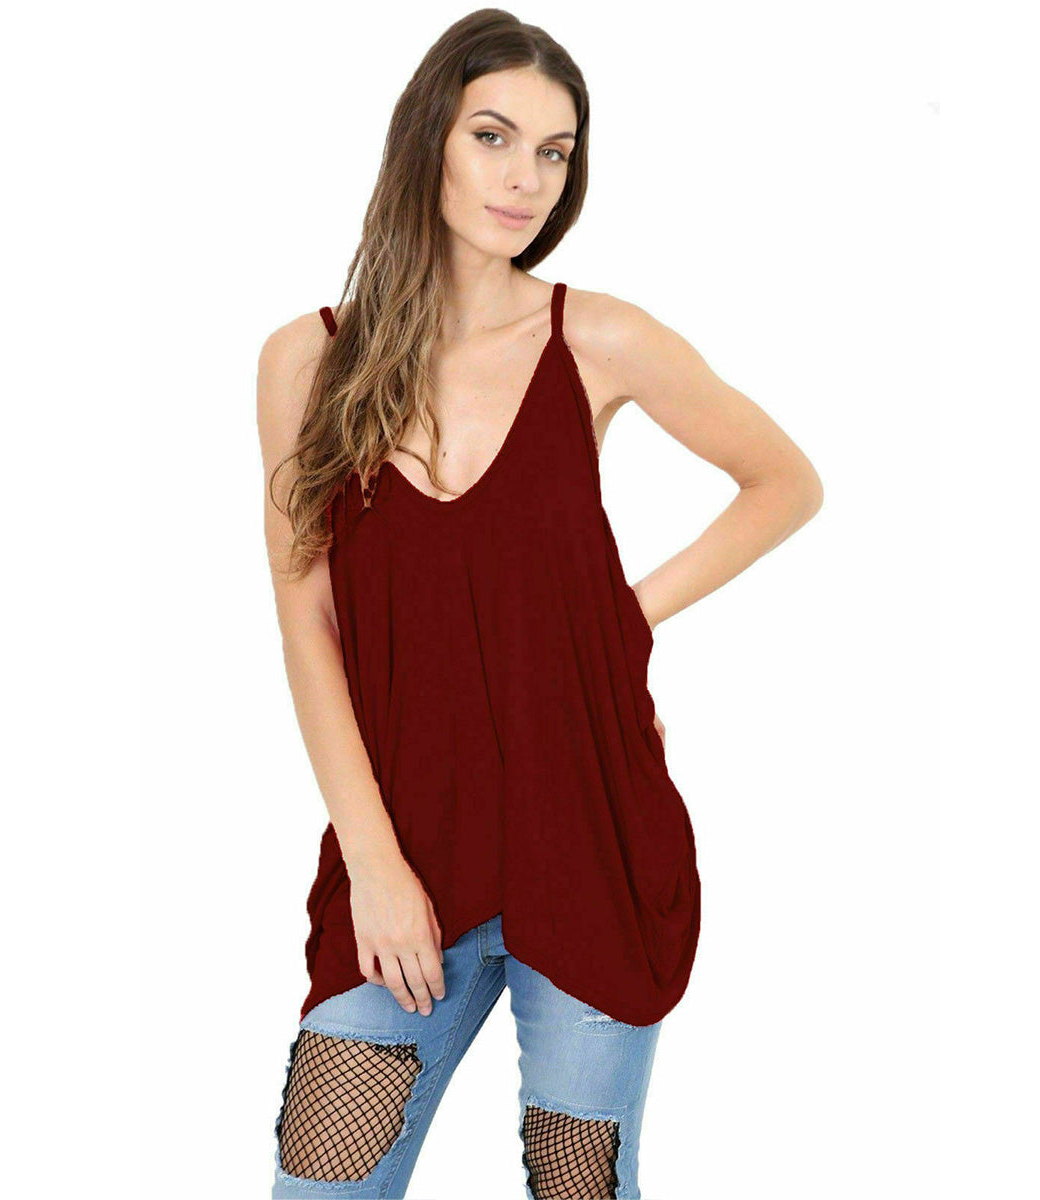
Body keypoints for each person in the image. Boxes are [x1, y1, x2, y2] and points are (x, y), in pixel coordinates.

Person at [255, 11, 823, 1199]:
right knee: (321, 1182)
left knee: (579, 1187)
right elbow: (308, 621)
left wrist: (619, 621)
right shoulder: (307, 360)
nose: (525, 177)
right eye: (494, 136)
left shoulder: (598, 336)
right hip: (405, 848)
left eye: (554, 152)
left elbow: (785, 483)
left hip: (591, 838)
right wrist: (374, 861)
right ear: (429, 138)